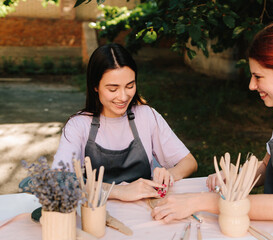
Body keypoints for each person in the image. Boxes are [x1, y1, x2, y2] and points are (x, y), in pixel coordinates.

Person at [151, 21, 273, 240]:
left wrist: (198, 201)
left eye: (258, 77)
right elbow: (267, 167)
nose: (251, 85)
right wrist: (236, 180)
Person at [52, 43, 198, 201]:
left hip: (145, 212)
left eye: (130, 86)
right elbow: (59, 180)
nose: (123, 97)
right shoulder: (78, 125)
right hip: (97, 214)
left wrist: (168, 174)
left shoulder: (146, 116)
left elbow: (189, 162)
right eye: (113, 89)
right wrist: (119, 191)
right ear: (95, 86)